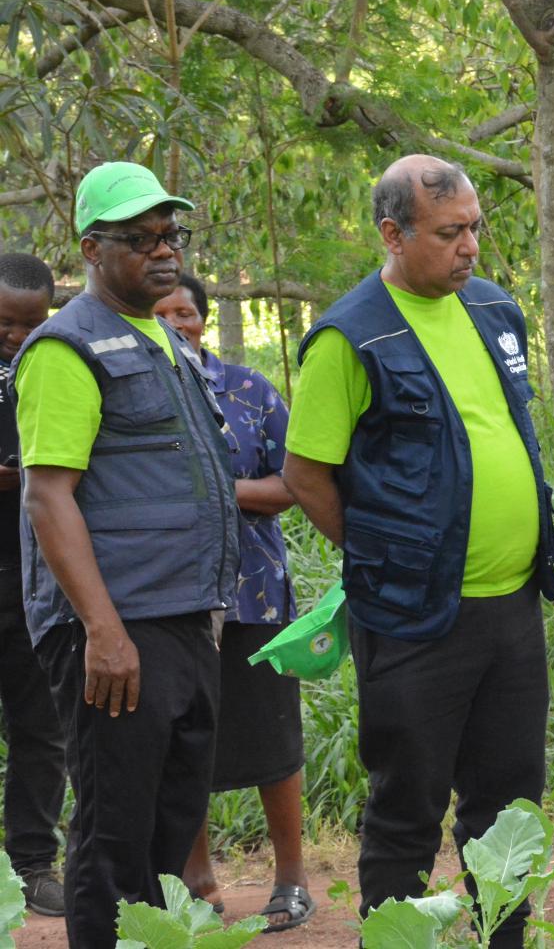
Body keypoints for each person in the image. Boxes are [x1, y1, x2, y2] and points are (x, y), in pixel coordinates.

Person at [282, 155, 554, 949]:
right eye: (450, 232)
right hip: (412, 616)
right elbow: (305, 474)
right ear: (393, 235)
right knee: (408, 802)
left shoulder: (495, 312)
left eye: (475, 227)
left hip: (510, 605)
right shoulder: (350, 334)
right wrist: (385, 555)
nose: (470, 245)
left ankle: (503, 938)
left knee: (508, 806)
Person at [13, 162, 238, 949]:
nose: (162, 252)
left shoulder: (163, 339)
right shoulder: (66, 348)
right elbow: (48, 497)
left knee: (168, 830)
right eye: (139, 240)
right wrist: (102, 630)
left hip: (182, 621)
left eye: (169, 236)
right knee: (113, 835)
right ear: (91, 248)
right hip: (116, 632)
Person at [153, 273, 311, 931]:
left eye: (185, 312)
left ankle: (293, 880)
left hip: (253, 595)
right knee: (180, 743)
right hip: (167, 597)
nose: (174, 324)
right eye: (160, 313)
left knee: (274, 740)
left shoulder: (249, 390)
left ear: (203, 320)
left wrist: (216, 493)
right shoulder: (134, 393)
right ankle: (198, 883)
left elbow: (292, 483)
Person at [0, 253, 67, 918]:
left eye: (28, 323)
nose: (15, 337)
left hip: (32, 581)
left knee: (40, 731)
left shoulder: (54, 366)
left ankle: (33, 866)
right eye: (3, 323)